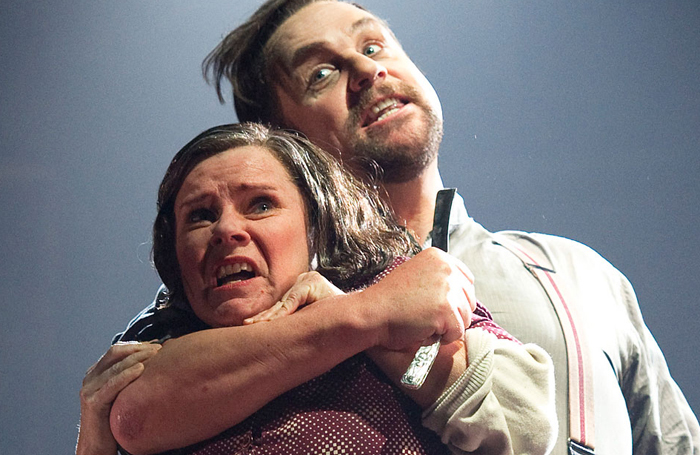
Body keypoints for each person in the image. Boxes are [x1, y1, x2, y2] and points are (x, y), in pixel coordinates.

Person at [190, 1, 698, 454]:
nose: (368, 69)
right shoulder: (253, 304)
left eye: (374, 44)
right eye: (321, 73)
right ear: (284, 144)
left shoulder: (579, 274)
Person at [87, 123, 555, 455]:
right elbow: (136, 416)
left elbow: (526, 424)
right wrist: (366, 317)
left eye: (261, 204)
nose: (226, 229)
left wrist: (372, 320)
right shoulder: (156, 345)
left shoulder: (393, 279)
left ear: (316, 225)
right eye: (200, 215)